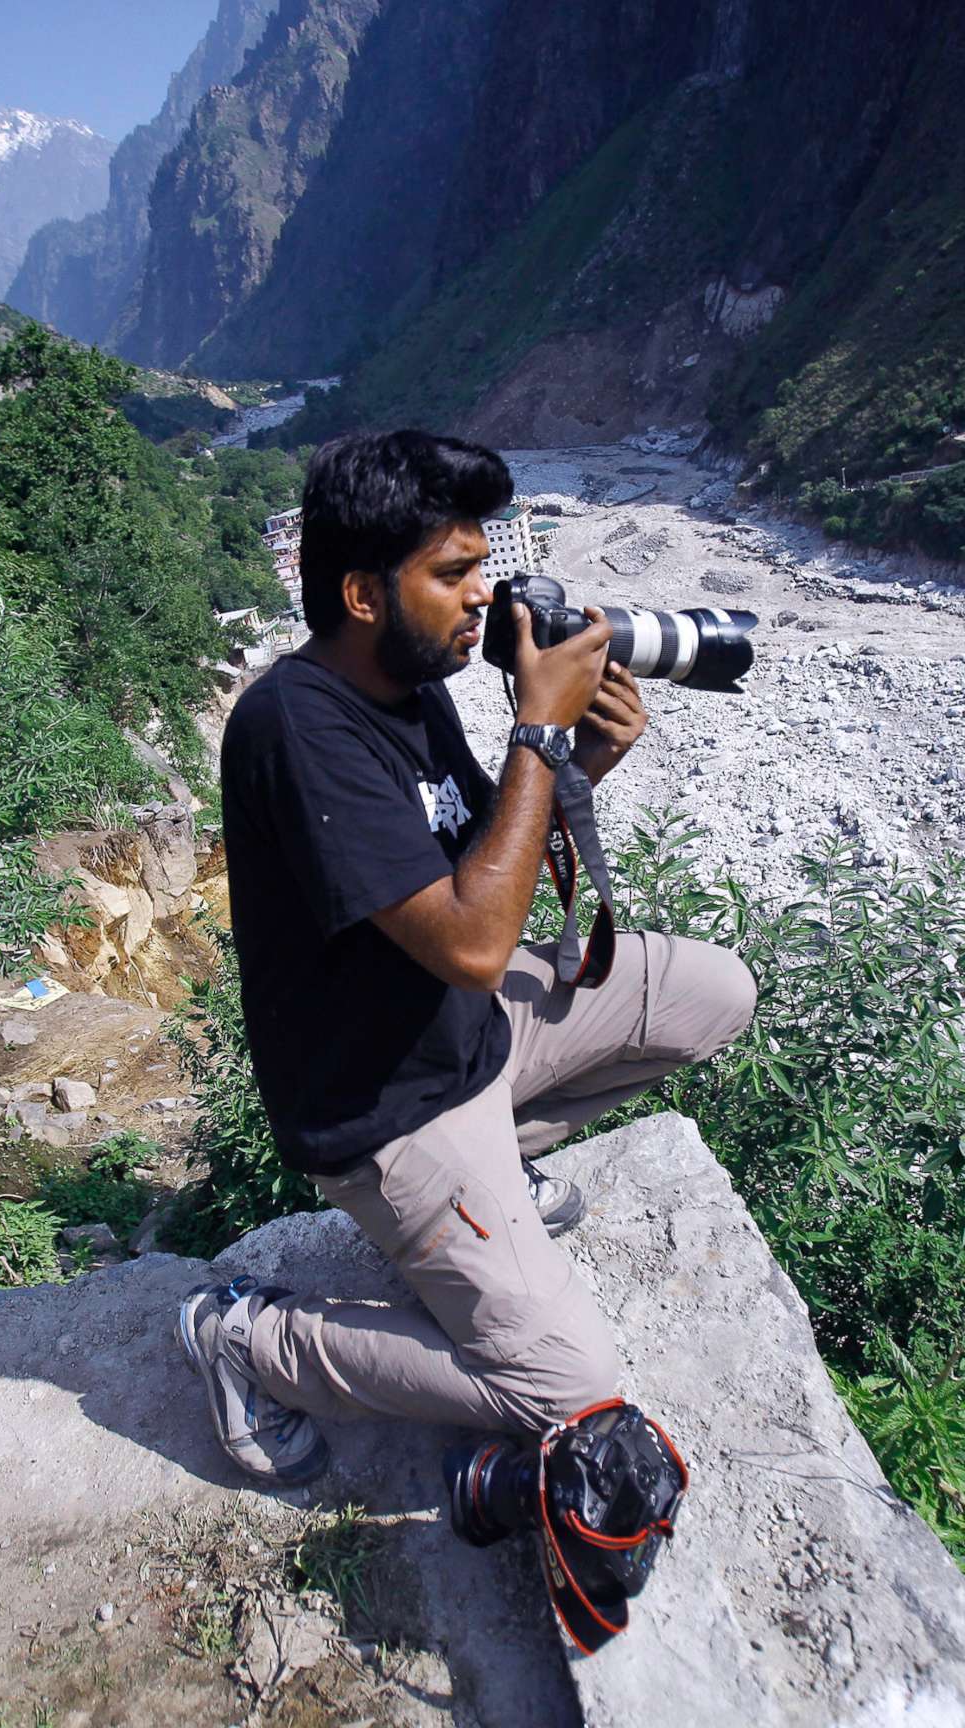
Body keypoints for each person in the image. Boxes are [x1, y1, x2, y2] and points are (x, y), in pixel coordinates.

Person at [180, 429, 757, 1483]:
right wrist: (538, 727)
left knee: (716, 994)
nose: (484, 598)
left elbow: (485, 848)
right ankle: (249, 1341)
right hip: (386, 1109)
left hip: (467, 1044)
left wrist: (582, 755)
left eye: (483, 566)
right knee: (569, 1396)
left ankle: (501, 1165)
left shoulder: (414, 682)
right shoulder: (296, 726)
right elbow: (477, 941)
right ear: (363, 594)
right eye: (454, 574)